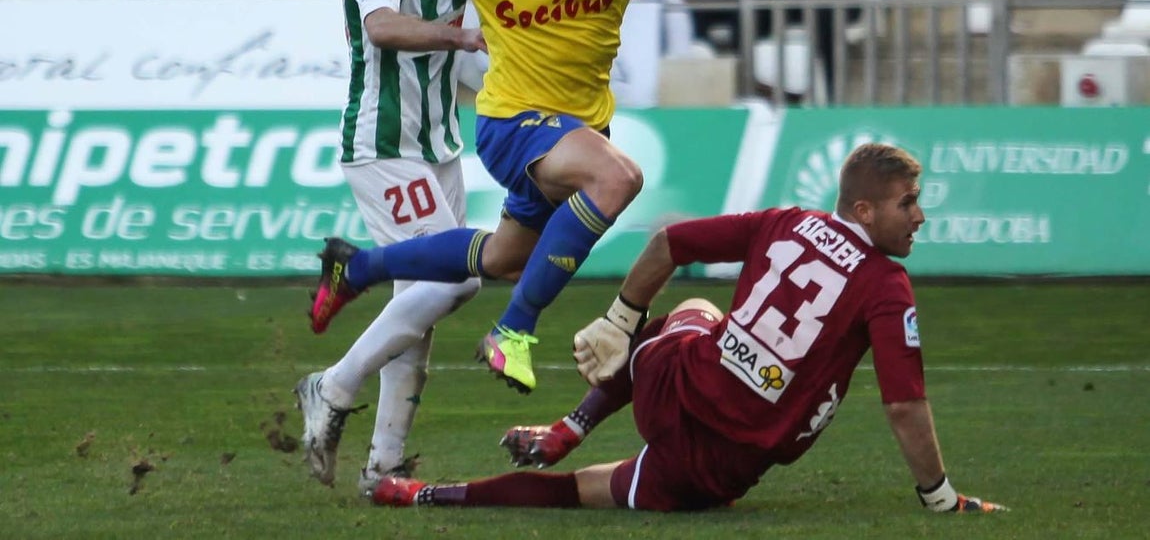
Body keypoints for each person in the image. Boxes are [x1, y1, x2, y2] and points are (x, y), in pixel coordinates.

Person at [207, 0, 714, 397]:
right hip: (512, 122)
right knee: (618, 178)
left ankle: (357, 267)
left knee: (501, 258)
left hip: (580, 124)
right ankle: (513, 332)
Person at [368, 142, 1008, 516]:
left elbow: (669, 240)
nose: (919, 216)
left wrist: (621, 320)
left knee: (695, 310)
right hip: (719, 462)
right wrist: (940, 497)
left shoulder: (785, 221)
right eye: (908, 204)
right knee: (582, 493)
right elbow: (903, 404)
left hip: (669, 380)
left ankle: (569, 426)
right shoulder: (884, 283)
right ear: (864, 210)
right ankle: (431, 493)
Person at [290, 0, 491, 493]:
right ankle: (332, 385)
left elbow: (473, 38)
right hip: (381, 142)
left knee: (420, 305)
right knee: (455, 277)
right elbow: (381, 28)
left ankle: (385, 463)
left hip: (439, 143)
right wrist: (458, 38)